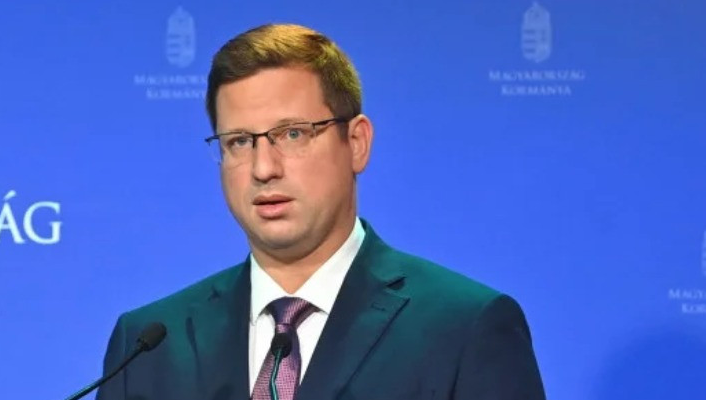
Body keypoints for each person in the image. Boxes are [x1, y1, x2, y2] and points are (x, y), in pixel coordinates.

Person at [96, 24, 546, 400]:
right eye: (239, 142)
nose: (263, 168)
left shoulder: (463, 328)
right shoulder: (149, 345)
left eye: (292, 134)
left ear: (357, 143)